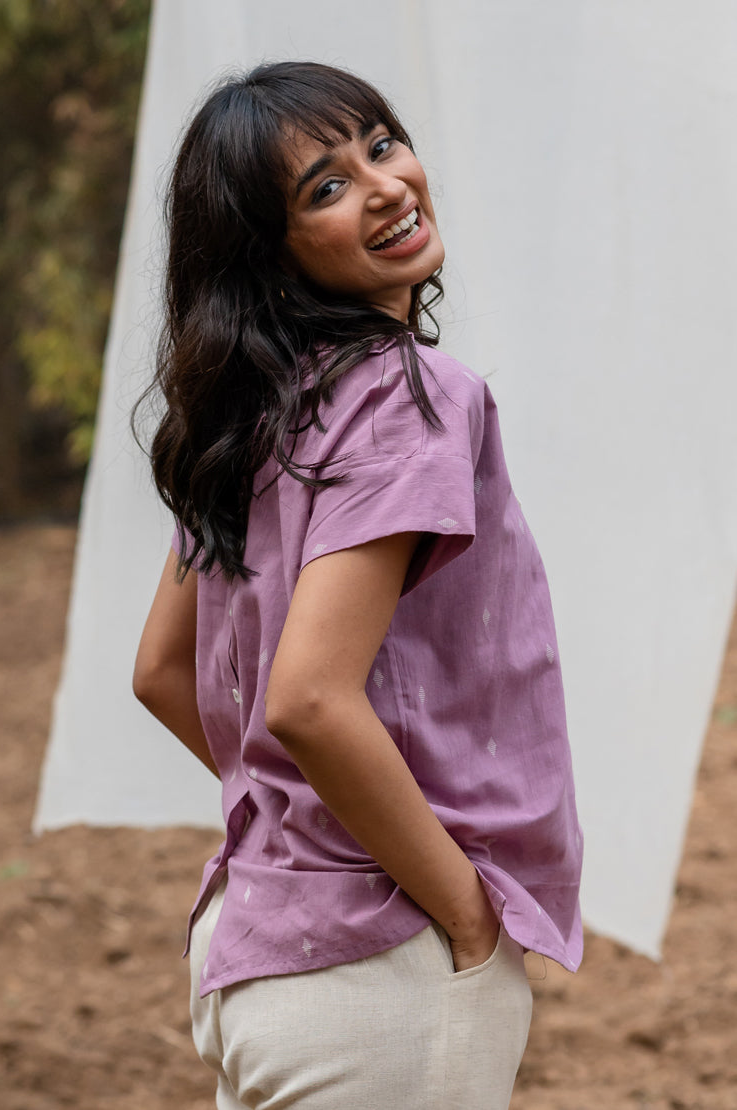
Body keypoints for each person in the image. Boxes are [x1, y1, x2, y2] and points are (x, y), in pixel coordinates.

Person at [133, 60, 583, 1110]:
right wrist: (463, 910)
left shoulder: (254, 417)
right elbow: (307, 700)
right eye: (323, 189)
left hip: (254, 945)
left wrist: (304, 822)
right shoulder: (407, 397)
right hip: (387, 970)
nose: (384, 184)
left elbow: (162, 670)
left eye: (380, 144)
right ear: (271, 257)